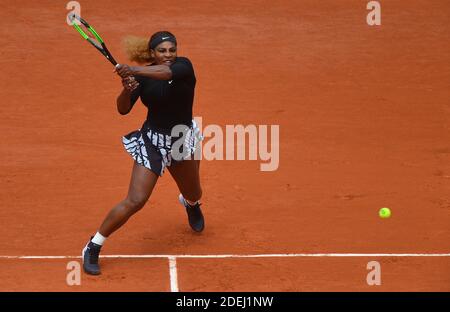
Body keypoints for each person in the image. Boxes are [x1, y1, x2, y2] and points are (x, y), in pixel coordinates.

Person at [82, 31, 205, 275]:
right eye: (162, 51)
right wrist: (127, 88)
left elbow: (167, 73)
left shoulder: (183, 67)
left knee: (194, 192)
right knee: (135, 200)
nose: (168, 55)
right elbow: (123, 109)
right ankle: (93, 245)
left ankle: (190, 204)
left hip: (181, 139)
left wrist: (133, 70)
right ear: (152, 53)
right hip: (152, 142)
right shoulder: (145, 77)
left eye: (172, 50)